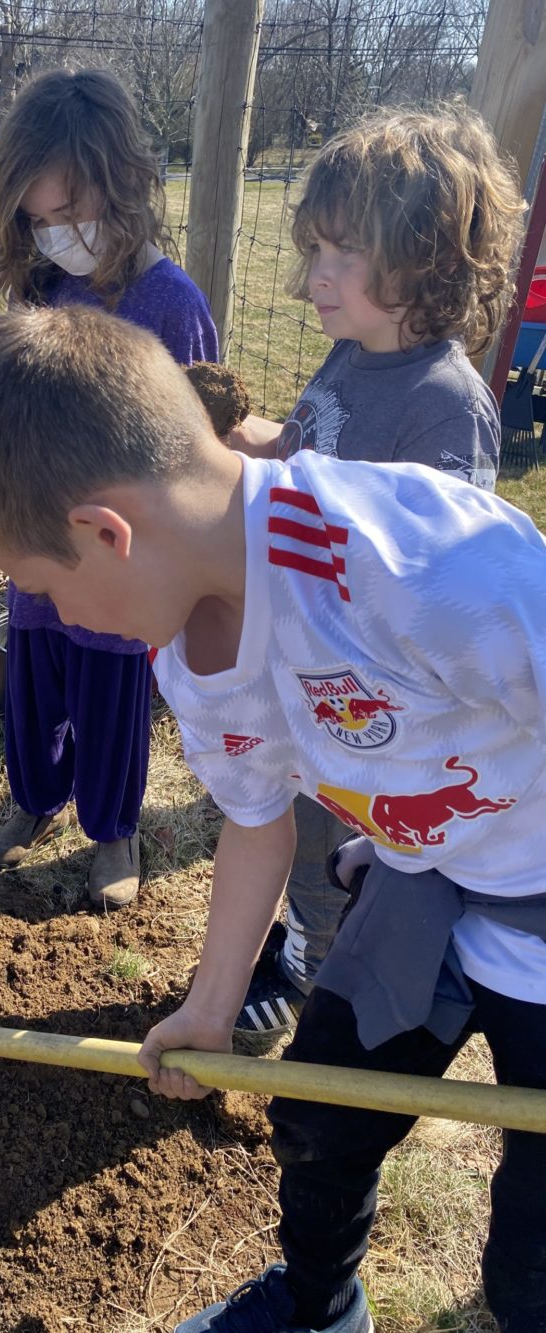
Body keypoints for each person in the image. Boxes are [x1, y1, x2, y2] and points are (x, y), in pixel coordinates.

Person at [0, 302, 546, 1333]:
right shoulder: (192, 654)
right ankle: (315, 1308)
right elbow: (258, 824)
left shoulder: (422, 571)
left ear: (104, 532)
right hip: (421, 880)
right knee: (319, 1117)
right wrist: (210, 1008)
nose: (56, 619)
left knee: (532, 1250)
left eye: (44, 589)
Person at [224, 103, 525, 1035]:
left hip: (370, 690)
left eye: (340, 253)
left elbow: (439, 581)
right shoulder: (351, 357)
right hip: (310, 653)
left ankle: (321, 959)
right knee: (300, 804)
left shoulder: (446, 406)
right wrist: (252, 445)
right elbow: (315, 448)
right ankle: (309, 924)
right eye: (313, 248)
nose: (314, 276)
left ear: (426, 259)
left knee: (338, 833)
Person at [0, 66, 218, 909]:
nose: (56, 236)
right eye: (39, 221)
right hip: (44, 538)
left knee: (110, 686)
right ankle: (31, 800)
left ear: (122, 188)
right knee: (37, 667)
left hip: (123, 554)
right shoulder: (41, 284)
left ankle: (113, 830)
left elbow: (196, 443)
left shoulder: (170, 302)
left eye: (71, 216)